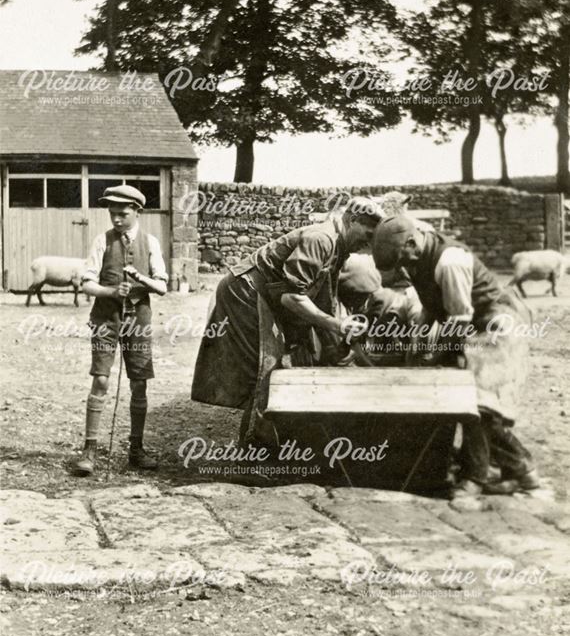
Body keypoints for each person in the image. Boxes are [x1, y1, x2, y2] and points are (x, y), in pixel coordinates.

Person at [372, 215, 541, 501]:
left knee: (479, 406)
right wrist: (418, 344)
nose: (404, 267)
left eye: (403, 259)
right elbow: (429, 307)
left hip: (495, 325)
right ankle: (515, 471)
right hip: (470, 328)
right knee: (461, 401)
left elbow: (460, 318)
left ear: (412, 243)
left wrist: (437, 353)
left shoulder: (450, 262)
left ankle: (483, 476)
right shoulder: (415, 257)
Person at [191, 197, 384, 441]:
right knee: (267, 365)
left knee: (295, 354)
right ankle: (252, 454)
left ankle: (280, 436)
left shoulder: (340, 247)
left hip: (270, 294)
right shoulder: (321, 239)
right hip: (246, 291)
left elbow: (324, 299)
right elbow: (291, 297)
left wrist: (336, 344)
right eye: (368, 233)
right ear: (353, 220)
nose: (368, 242)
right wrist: (337, 325)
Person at [72, 185, 168, 476]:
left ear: (137, 211)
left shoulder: (151, 242)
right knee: (100, 380)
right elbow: (86, 283)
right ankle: (89, 450)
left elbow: (163, 286)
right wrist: (112, 291)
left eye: (123, 214)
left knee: (139, 383)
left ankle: (136, 449)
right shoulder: (102, 240)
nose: (116, 219)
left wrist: (141, 278)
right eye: (113, 214)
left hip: (138, 320)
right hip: (106, 319)